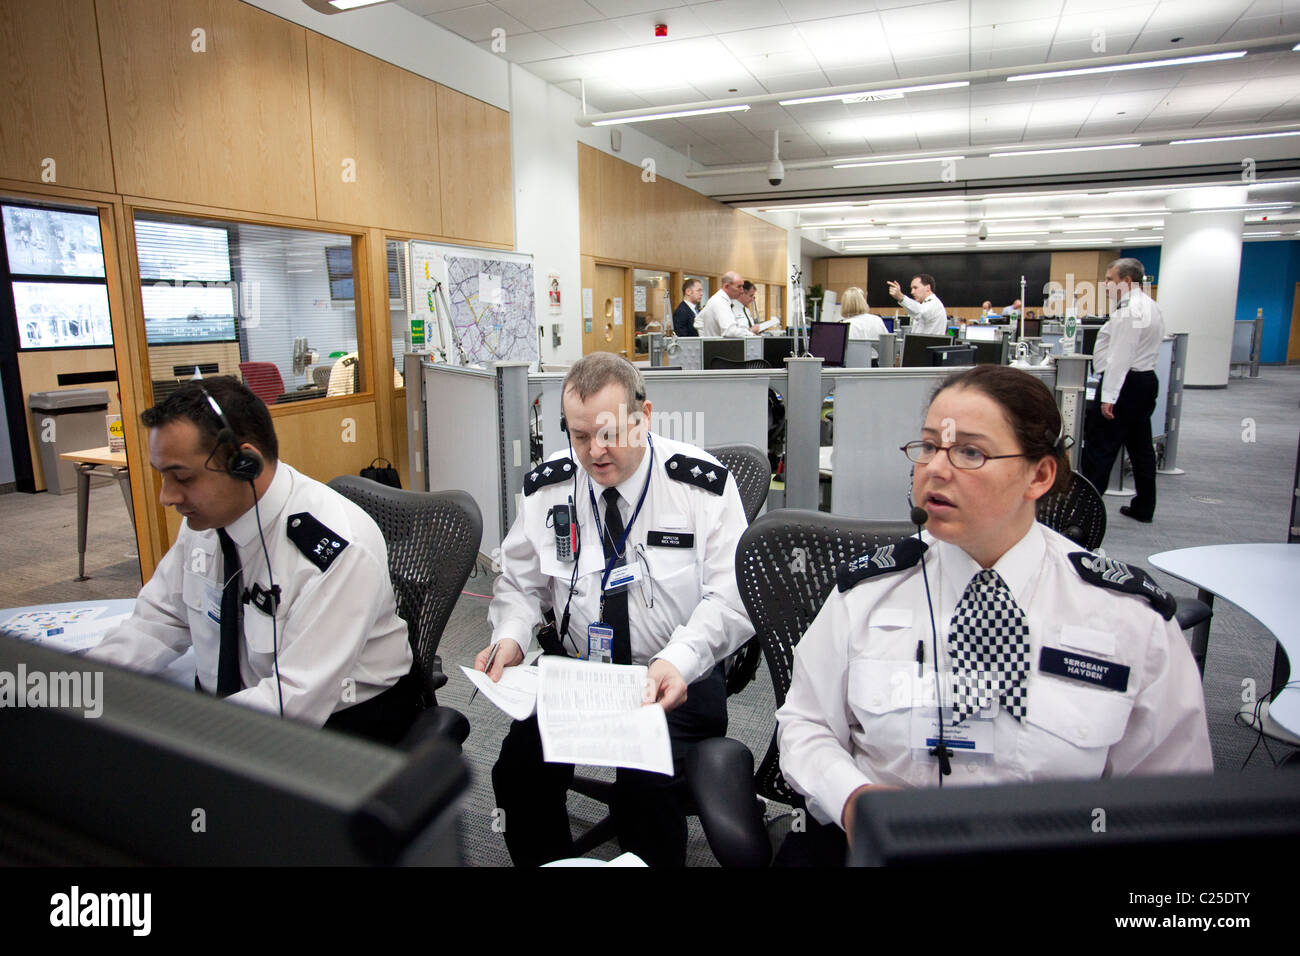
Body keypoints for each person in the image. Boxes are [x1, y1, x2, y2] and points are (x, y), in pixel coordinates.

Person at [774, 364, 1211, 865]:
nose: (936, 469)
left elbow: (1173, 800)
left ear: (1039, 475)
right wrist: (853, 799)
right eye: (930, 446)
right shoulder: (868, 592)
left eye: (969, 452)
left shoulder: (1126, 617)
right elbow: (805, 723)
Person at [476, 353, 753, 866]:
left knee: (646, 792)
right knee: (518, 773)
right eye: (579, 437)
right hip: (581, 676)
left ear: (644, 417)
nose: (594, 452)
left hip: (674, 676)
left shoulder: (699, 486)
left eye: (608, 434)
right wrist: (512, 634)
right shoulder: (549, 487)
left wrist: (682, 658)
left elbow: (732, 597)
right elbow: (519, 582)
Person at [89, 377, 420, 743]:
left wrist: (180, 734)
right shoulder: (205, 520)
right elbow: (160, 618)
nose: (167, 497)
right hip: (232, 708)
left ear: (245, 463)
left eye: (181, 477)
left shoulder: (337, 548)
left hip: (337, 725)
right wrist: (84, 685)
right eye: (162, 476)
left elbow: (293, 697)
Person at [1080, 257, 1165, 523]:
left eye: (1109, 280)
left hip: (1125, 384)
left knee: (1101, 450)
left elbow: (1120, 357)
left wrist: (1108, 397)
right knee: (1141, 450)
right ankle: (1144, 506)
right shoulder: (1151, 305)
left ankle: (1086, 514)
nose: (1105, 285)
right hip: (1145, 381)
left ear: (1127, 281)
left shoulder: (1129, 310)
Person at [696, 270, 756, 337]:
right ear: (727, 286)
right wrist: (750, 334)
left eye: (742, 286)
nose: (742, 291)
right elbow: (730, 331)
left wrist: (706, 337)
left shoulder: (720, 299)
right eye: (739, 287)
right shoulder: (720, 301)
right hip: (719, 345)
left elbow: (698, 320)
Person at [839, 286, 889, 361]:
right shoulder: (877, 320)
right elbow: (887, 345)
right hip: (876, 366)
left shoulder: (845, 325)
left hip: (853, 365)